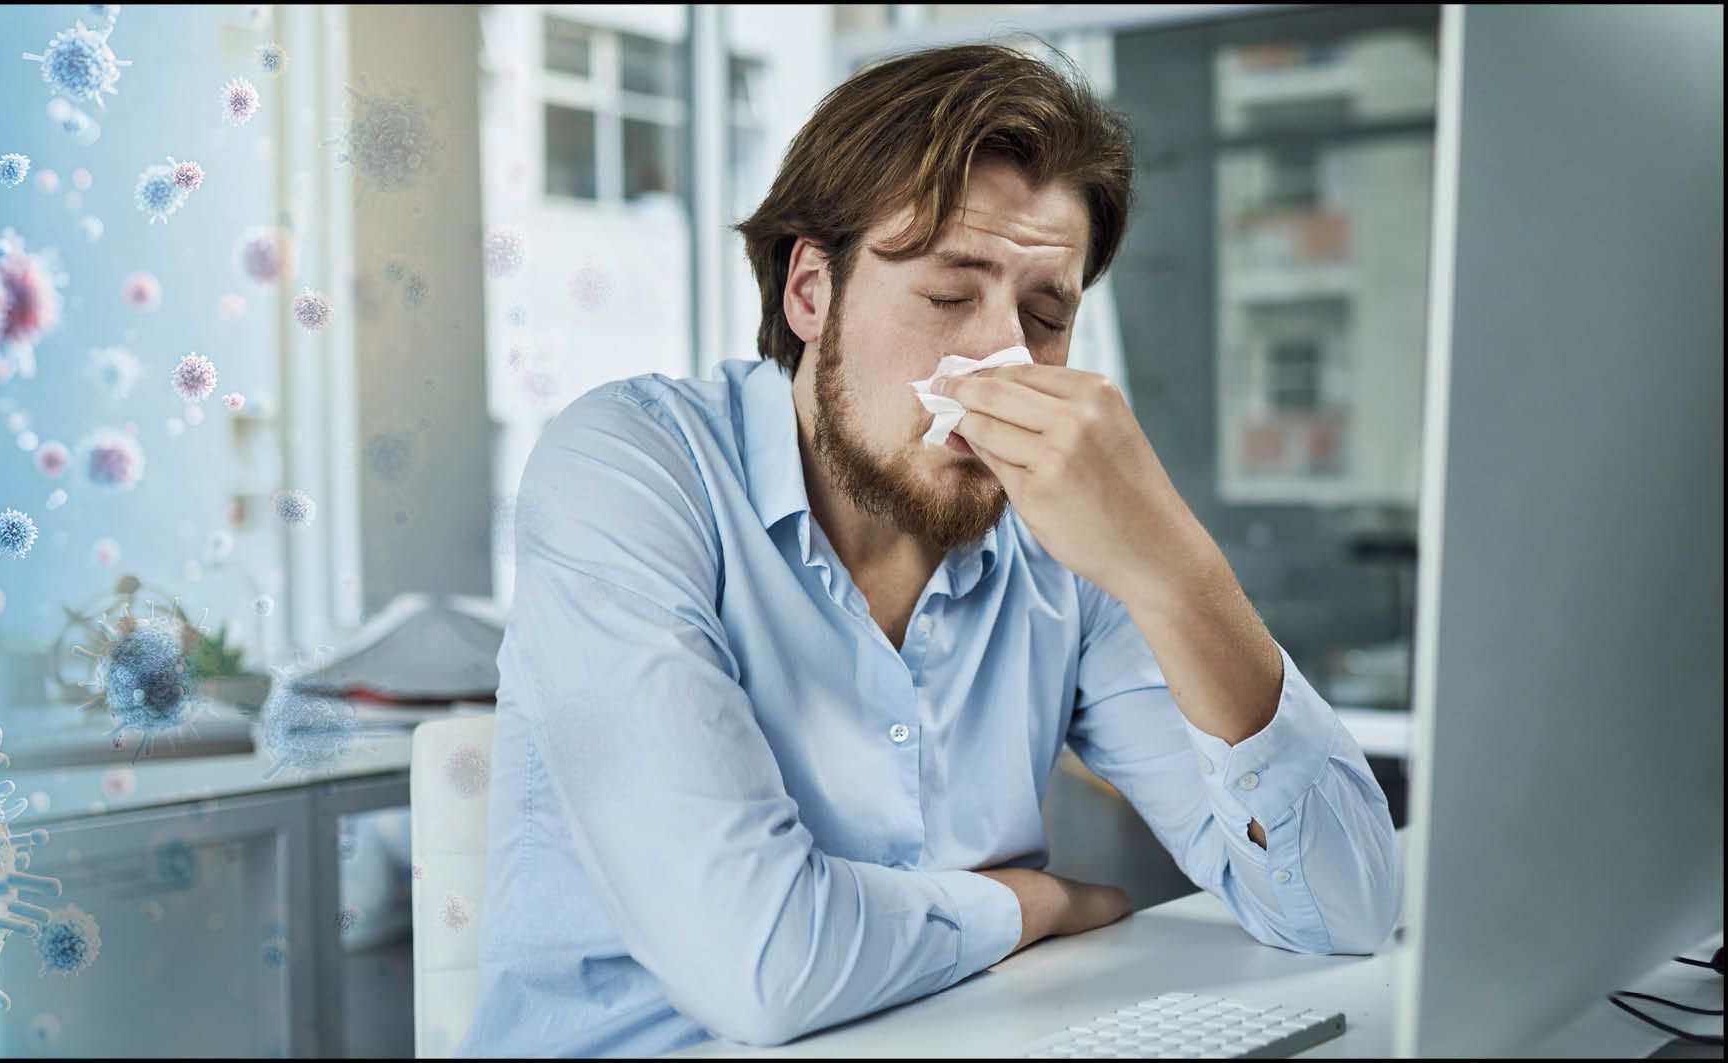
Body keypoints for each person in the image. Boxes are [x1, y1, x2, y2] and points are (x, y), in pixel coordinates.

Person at [462, 40, 1402, 1058]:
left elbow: (1343, 907)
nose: (1002, 357)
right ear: (811, 291)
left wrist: (1175, 567)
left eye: (1046, 314)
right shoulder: (631, 469)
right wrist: (1027, 902)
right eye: (950, 297)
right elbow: (765, 967)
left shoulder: (1065, 544)